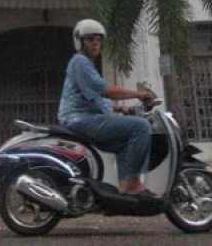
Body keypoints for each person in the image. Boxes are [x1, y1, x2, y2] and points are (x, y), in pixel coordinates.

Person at [57, 19, 158, 198]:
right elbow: (104, 90)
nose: (95, 43)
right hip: (79, 118)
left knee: (125, 141)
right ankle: (132, 184)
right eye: (90, 39)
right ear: (80, 41)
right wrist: (138, 94)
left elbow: (95, 98)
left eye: (98, 39)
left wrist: (120, 109)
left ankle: (124, 187)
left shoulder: (87, 65)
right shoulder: (79, 61)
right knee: (140, 126)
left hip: (85, 117)